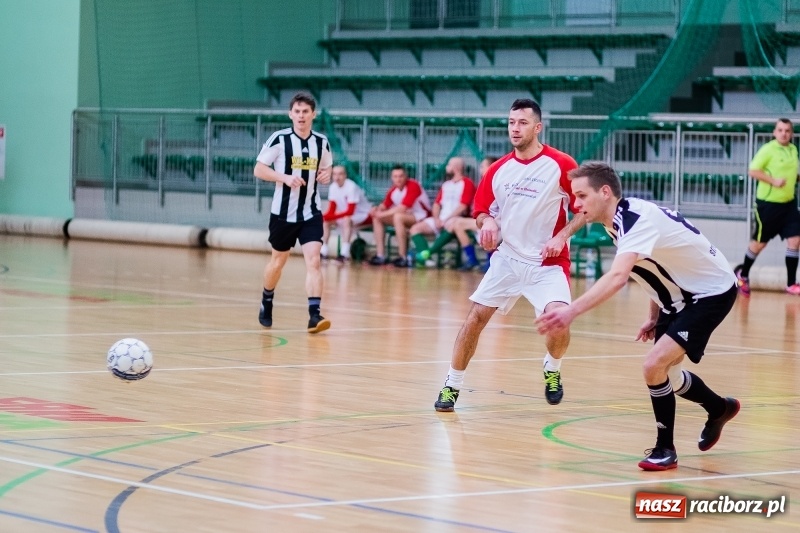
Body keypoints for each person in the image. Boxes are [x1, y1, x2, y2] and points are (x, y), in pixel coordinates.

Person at [536, 161, 740, 472]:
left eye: (581, 196)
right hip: (677, 297)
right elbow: (650, 268)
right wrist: (654, 313)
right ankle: (719, 408)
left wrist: (570, 311)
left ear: (605, 192)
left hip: (710, 293)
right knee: (668, 377)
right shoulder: (616, 220)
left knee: (652, 366)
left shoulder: (636, 220)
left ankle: (665, 449)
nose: (576, 205)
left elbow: (618, 277)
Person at [433, 98, 586, 413]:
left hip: (548, 264)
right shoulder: (498, 170)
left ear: (538, 127)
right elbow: (480, 212)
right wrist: (487, 221)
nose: (515, 129)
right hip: (507, 259)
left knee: (559, 323)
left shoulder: (561, 164)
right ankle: (452, 385)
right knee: (475, 319)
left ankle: (552, 369)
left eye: (523, 123)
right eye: (512, 122)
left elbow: (585, 210)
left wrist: (561, 236)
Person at [253, 91, 333, 334]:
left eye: (305, 112)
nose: (301, 116)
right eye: (297, 111)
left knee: (314, 260)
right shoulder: (279, 139)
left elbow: (327, 170)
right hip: (283, 213)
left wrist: (326, 176)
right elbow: (259, 169)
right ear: (290, 114)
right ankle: (267, 299)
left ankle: (314, 315)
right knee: (278, 262)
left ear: (313, 115)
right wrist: (285, 178)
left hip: (311, 211)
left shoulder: (321, 142)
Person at [734, 118, 800, 297]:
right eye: (780, 130)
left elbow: (794, 173)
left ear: (791, 133)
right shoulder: (768, 149)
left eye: (787, 130)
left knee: (795, 240)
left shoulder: (793, 150)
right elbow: (753, 170)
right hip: (769, 205)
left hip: (789, 203)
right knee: (759, 244)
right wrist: (773, 181)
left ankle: (791, 284)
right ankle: (743, 274)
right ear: (774, 132)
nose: (784, 133)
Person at [409, 157, 475, 266]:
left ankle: (427, 253)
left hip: (456, 218)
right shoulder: (446, 184)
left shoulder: (467, 183)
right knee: (415, 229)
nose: (447, 167)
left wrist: (447, 219)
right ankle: (427, 259)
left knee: (452, 224)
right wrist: (436, 219)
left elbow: (463, 206)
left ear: (456, 168)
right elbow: (436, 204)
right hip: (441, 219)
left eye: (449, 165)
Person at [368, 165, 432, 267]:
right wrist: (376, 209)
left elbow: (403, 208)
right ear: (392, 178)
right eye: (395, 176)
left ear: (406, 176)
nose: (398, 179)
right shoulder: (393, 190)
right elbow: (384, 205)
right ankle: (380, 256)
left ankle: (403, 257)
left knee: (398, 216)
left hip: (424, 218)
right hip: (408, 218)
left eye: (401, 176)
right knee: (377, 218)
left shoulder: (413, 185)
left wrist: (381, 213)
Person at [321, 165, 372, 261]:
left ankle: (344, 254)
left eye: (340, 174)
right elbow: (331, 210)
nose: (337, 177)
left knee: (346, 219)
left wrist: (329, 216)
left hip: (364, 215)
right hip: (347, 216)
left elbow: (350, 211)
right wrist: (323, 217)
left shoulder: (351, 186)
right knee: (326, 222)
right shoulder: (333, 187)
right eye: (334, 174)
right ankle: (324, 251)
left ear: (345, 175)